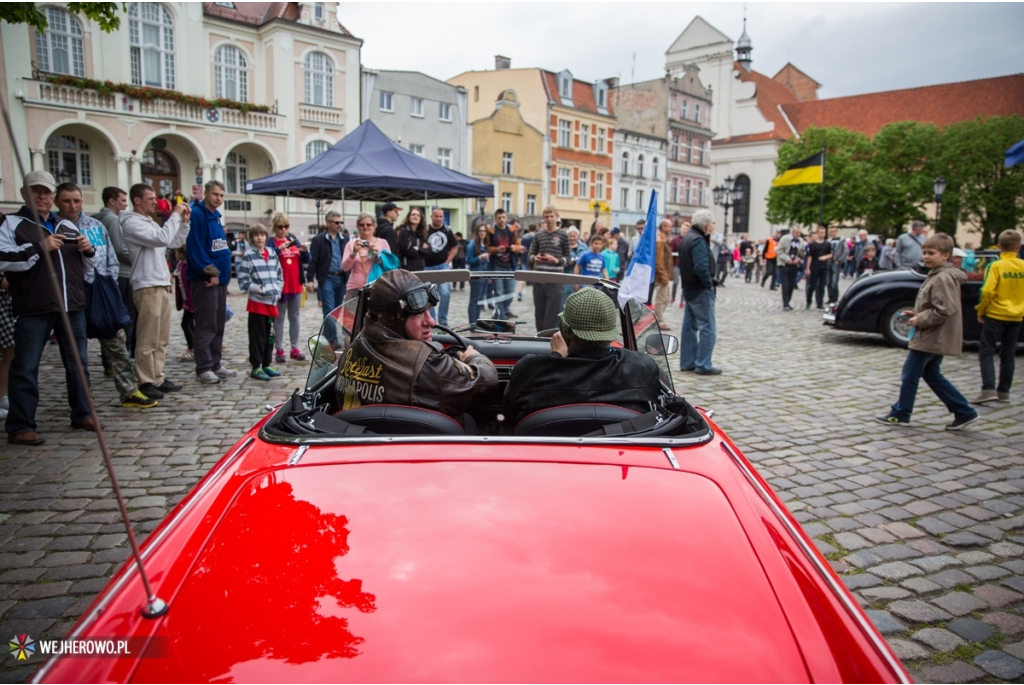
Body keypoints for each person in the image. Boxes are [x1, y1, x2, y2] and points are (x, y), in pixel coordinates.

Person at [0, 170, 97, 445]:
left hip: (72, 305)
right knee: (26, 366)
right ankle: (20, 425)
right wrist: (39, 246)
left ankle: (83, 413)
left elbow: (90, 269)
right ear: (24, 193)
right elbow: (3, 260)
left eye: (46, 192)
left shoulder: (65, 224)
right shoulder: (12, 223)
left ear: (53, 196)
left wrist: (88, 250)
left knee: (79, 364)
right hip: (35, 306)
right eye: (36, 191)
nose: (42, 197)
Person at [336, 269, 498, 422]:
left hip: (360, 445)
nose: (431, 321)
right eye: (419, 313)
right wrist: (475, 358)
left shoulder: (350, 352)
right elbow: (487, 381)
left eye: (429, 311)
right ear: (394, 318)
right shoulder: (427, 363)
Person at [56, 182, 155, 409]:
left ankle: (129, 390)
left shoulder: (96, 225)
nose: (72, 205)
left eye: (76, 200)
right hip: (71, 293)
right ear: (57, 202)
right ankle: (84, 398)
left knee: (117, 342)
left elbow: (111, 256)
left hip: (100, 289)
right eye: (66, 201)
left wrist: (108, 281)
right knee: (77, 352)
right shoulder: (55, 227)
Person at [504, 287, 662, 424]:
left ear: (565, 331)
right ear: (610, 333)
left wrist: (556, 359)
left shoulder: (530, 370)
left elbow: (509, 414)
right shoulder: (642, 367)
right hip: (621, 455)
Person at [876, 233, 978, 430]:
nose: (926, 256)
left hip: (931, 335)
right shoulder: (938, 275)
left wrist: (919, 319)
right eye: (924, 252)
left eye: (931, 253)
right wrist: (915, 312)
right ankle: (963, 411)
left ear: (946, 255)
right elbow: (936, 305)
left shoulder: (942, 278)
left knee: (910, 374)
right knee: (931, 374)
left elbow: (945, 309)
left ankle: (901, 413)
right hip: (932, 334)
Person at [120, 183, 189, 400]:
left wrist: (184, 223)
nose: (155, 201)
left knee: (161, 337)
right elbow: (162, 238)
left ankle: (157, 376)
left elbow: (174, 241)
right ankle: (145, 379)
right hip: (146, 285)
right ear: (137, 200)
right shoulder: (132, 223)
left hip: (160, 283)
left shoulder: (150, 223)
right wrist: (176, 215)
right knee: (147, 337)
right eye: (150, 198)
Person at [186, 180, 236, 385]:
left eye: (222, 195)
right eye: (215, 194)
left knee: (218, 323)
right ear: (205, 193)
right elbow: (195, 248)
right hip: (206, 280)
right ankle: (204, 366)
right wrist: (210, 272)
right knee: (206, 324)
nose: (219, 198)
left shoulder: (216, 217)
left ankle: (216, 363)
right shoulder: (198, 215)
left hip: (221, 280)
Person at [971, 229, 1024, 405]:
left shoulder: (996, 266)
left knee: (986, 351)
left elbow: (986, 290)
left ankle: (988, 389)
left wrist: (981, 310)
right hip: (1016, 315)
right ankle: (1004, 392)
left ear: (999, 246)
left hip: (996, 314)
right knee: (1008, 353)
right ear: (1018, 247)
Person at [237, 224, 283, 382]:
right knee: (258, 336)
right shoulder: (249, 255)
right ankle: (256, 366)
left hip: (272, 302)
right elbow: (243, 281)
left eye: (262, 235)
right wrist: (259, 289)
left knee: (270, 336)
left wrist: (277, 289)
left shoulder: (271, 253)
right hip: (257, 303)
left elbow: (279, 275)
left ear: (266, 237)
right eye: (256, 235)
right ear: (251, 238)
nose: (259, 238)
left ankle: (267, 363)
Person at [93, 186, 135, 358]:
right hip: (122, 274)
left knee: (111, 316)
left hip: (106, 273)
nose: (126, 204)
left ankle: (109, 359)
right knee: (126, 317)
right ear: (111, 201)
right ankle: (124, 356)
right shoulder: (111, 219)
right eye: (123, 200)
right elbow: (120, 249)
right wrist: (139, 260)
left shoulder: (96, 217)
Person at [677, 209, 719, 375]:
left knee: (689, 327)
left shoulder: (687, 238)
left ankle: (687, 361)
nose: (713, 226)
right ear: (707, 225)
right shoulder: (698, 240)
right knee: (708, 327)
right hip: (700, 289)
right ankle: (703, 364)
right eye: (713, 223)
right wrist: (709, 284)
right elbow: (701, 267)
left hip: (688, 288)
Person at [268, 212, 309, 364]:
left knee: (295, 318)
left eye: (286, 226)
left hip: (295, 284)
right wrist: (279, 249)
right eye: (280, 227)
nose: (283, 229)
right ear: (275, 227)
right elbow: (268, 257)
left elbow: (306, 260)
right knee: (278, 319)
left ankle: (295, 348)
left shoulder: (293, 241)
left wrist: (304, 251)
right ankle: (278, 349)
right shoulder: (271, 242)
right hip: (280, 286)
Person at [306, 210, 349, 347]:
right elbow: (313, 261)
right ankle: (333, 339)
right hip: (327, 278)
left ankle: (325, 339)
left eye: (341, 222)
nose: (339, 225)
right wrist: (310, 279)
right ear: (328, 223)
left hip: (341, 278)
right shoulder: (319, 240)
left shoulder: (345, 239)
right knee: (329, 310)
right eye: (336, 222)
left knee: (336, 311)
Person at [527, 206, 572, 332]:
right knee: (539, 312)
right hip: (540, 278)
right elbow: (530, 256)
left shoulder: (563, 235)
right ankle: (540, 337)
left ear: (557, 217)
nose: (549, 219)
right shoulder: (539, 234)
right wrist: (535, 258)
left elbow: (568, 257)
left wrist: (557, 260)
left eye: (551, 216)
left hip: (555, 278)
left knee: (554, 313)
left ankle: (551, 339)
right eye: (546, 217)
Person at [421, 207, 458, 326]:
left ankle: (443, 321)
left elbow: (454, 247)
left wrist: (447, 262)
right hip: (427, 267)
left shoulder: (447, 230)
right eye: (436, 216)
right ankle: (432, 321)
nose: (439, 218)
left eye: (441, 216)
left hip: (442, 266)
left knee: (445, 292)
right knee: (428, 295)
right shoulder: (425, 230)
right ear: (431, 217)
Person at [342, 213, 391, 300]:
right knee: (352, 314)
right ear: (357, 226)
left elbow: (389, 266)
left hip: (377, 287)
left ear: (375, 226)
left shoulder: (383, 243)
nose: (365, 227)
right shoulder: (351, 244)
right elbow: (345, 268)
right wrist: (353, 253)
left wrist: (378, 255)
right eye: (362, 225)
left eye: (369, 224)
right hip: (355, 288)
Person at [487, 208, 520, 320]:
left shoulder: (511, 229)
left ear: (506, 218)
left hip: (510, 265)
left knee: (510, 292)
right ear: (495, 219)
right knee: (499, 293)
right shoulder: (491, 231)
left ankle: (504, 310)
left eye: (503, 217)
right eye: (499, 218)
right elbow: (487, 248)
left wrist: (514, 247)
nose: (502, 220)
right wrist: (496, 249)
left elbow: (517, 245)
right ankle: (501, 316)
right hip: (497, 265)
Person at [466, 223, 492, 324]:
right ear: (477, 232)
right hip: (476, 275)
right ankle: (473, 324)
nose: (482, 233)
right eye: (480, 231)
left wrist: (489, 275)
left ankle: (477, 323)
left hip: (484, 275)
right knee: (474, 301)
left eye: (484, 231)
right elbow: (469, 260)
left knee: (479, 301)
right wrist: (480, 257)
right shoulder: (472, 244)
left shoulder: (485, 244)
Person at [173, 247, 195, 361]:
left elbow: (191, 287)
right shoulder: (180, 265)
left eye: (176, 252)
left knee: (185, 324)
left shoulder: (186, 267)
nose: (175, 254)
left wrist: (187, 302)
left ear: (181, 254)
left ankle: (192, 349)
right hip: (187, 300)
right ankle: (194, 348)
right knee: (190, 324)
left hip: (191, 302)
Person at [776, 226, 805, 311]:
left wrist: (798, 259)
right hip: (784, 264)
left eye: (799, 233)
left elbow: (802, 253)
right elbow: (779, 252)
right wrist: (787, 259)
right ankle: (785, 303)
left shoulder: (800, 240)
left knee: (791, 284)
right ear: (792, 232)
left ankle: (788, 301)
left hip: (794, 265)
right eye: (797, 233)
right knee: (785, 284)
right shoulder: (785, 239)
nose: (798, 234)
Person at [804, 225, 832, 310]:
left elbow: (830, 254)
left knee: (822, 285)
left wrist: (826, 257)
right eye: (821, 232)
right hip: (814, 266)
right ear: (817, 233)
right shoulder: (813, 245)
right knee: (812, 285)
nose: (823, 234)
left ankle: (820, 302)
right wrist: (808, 268)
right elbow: (810, 256)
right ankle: (809, 301)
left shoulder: (827, 244)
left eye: (824, 233)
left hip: (823, 267)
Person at [396, 207, 429, 271]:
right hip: (407, 269)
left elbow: (428, 251)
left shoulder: (422, 233)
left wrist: (417, 248)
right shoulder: (404, 231)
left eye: (418, 215)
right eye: (413, 214)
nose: (415, 216)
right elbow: (408, 250)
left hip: (420, 268)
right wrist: (422, 252)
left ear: (421, 219)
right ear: (409, 217)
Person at [653, 219, 673, 327]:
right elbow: (659, 261)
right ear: (663, 227)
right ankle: (659, 321)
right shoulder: (660, 240)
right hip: (661, 276)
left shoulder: (664, 239)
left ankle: (658, 320)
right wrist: (664, 277)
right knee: (661, 299)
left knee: (666, 299)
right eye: (669, 226)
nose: (670, 229)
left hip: (665, 274)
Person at [826, 225, 848, 304]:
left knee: (834, 281)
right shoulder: (828, 240)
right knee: (828, 281)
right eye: (831, 231)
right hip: (828, 262)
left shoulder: (841, 240)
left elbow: (845, 251)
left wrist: (839, 260)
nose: (832, 233)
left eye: (834, 231)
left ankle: (835, 298)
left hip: (836, 262)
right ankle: (830, 297)